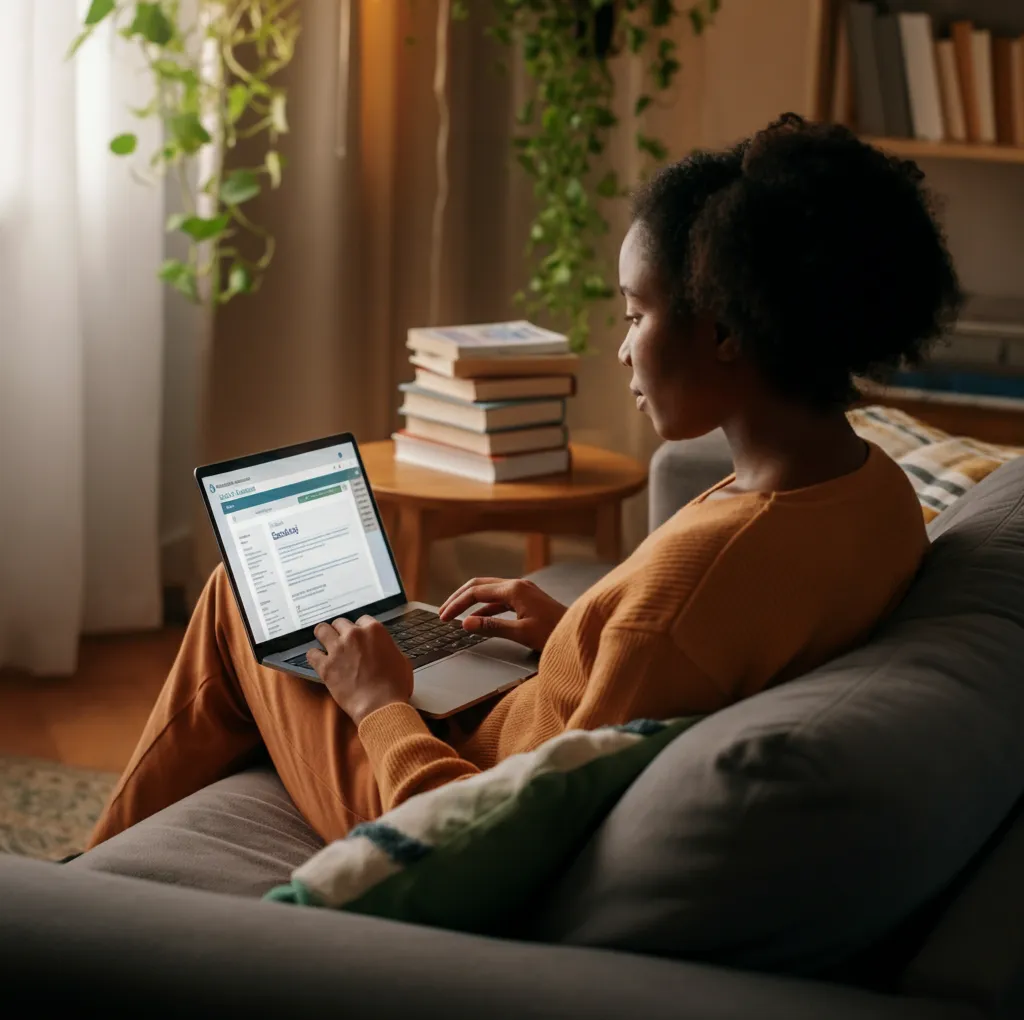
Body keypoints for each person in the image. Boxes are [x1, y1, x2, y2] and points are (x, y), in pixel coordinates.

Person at [88, 114, 960, 848]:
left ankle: (73, 903)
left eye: (635, 313)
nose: (622, 346)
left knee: (242, 601)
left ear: (728, 329)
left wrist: (382, 703)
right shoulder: (872, 490)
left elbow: (475, 837)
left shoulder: (691, 591)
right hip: (497, 725)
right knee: (319, 623)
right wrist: (576, 634)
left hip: (445, 789)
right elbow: (684, 654)